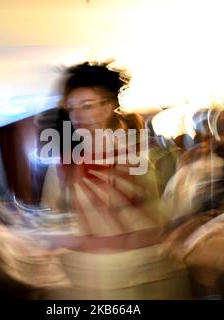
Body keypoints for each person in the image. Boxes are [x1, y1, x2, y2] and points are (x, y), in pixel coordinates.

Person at [39, 61, 191, 299]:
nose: (77, 115)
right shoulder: (62, 166)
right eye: (72, 108)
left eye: (87, 105)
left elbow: (157, 211)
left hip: (146, 269)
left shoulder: (139, 154)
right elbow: (52, 216)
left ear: (108, 107)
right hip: (96, 275)